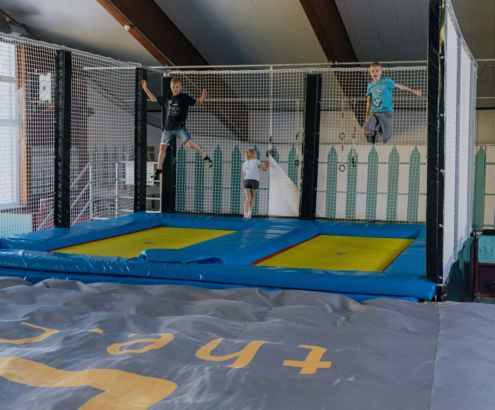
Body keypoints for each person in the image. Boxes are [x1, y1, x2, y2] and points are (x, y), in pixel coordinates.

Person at [141, 77, 213, 181]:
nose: (175, 89)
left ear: (181, 87)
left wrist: (203, 97)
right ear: (171, 87)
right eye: (173, 87)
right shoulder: (167, 97)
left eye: (177, 87)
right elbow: (153, 99)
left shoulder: (184, 97)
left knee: (189, 144)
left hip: (179, 128)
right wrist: (145, 88)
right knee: (162, 148)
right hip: (168, 128)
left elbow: (199, 102)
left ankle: (205, 157)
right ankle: (159, 169)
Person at [363, 62, 422, 144]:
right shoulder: (370, 85)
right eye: (372, 71)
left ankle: (381, 128)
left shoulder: (386, 81)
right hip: (374, 112)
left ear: (381, 72)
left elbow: (400, 87)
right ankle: (373, 133)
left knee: (386, 138)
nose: (375, 73)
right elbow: (369, 100)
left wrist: (414, 91)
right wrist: (367, 114)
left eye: (377, 71)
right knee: (366, 128)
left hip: (386, 112)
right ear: (370, 73)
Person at [242, 148, 269, 220]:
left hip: (246, 180)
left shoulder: (244, 163)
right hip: (254, 181)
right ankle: (249, 214)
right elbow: (264, 169)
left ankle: (245, 215)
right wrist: (268, 164)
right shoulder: (256, 161)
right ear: (253, 154)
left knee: (247, 198)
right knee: (253, 197)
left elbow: (245, 173)